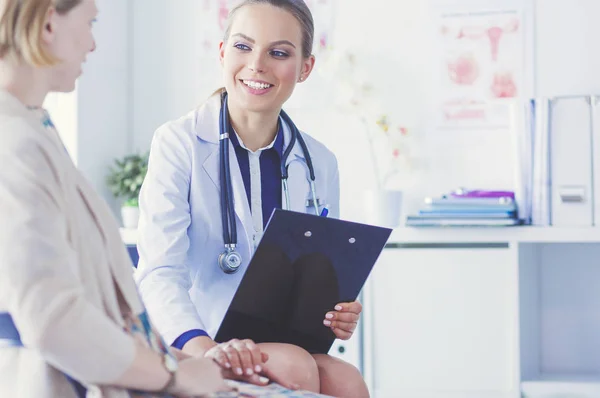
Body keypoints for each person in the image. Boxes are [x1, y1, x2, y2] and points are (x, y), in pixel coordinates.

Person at [135, 0, 369, 396]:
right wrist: (204, 347)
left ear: (305, 68)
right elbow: (159, 273)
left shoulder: (319, 163)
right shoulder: (179, 143)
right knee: (294, 367)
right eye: (243, 47)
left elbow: (321, 269)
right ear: (223, 53)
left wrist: (337, 311)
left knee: (347, 380)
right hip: (196, 338)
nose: (257, 64)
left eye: (278, 52)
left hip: (278, 337)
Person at [0, 0, 229, 396]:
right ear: (49, 23)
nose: (92, 44)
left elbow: (101, 300)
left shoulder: (34, 129)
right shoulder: (14, 143)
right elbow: (52, 319)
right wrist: (172, 375)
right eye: (90, 23)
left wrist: (174, 360)